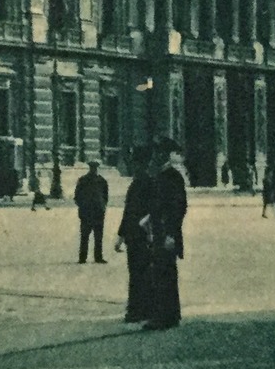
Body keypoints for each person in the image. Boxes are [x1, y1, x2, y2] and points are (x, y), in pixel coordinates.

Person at [144, 136, 189, 331]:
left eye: (159, 152)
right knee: (164, 273)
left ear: (165, 154)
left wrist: (171, 233)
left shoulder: (172, 176)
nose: (156, 155)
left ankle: (164, 316)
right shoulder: (162, 175)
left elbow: (179, 207)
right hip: (159, 232)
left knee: (163, 274)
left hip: (166, 234)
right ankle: (170, 314)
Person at [114, 146, 154, 324]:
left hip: (142, 236)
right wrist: (121, 235)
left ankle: (140, 310)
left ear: (142, 163)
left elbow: (151, 211)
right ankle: (138, 309)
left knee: (141, 274)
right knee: (136, 273)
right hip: (133, 236)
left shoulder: (146, 183)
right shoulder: (137, 182)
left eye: (135, 162)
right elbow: (128, 212)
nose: (133, 165)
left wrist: (150, 234)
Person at [73, 160, 110, 264]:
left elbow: (105, 196)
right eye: (93, 168)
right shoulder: (84, 180)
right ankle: (83, 257)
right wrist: (83, 206)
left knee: (97, 236)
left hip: (96, 211)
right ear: (90, 168)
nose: (94, 169)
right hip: (88, 211)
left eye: (95, 168)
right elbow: (77, 196)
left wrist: (102, 206)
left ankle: (97, 257)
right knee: (85, 235)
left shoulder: (101, 181)